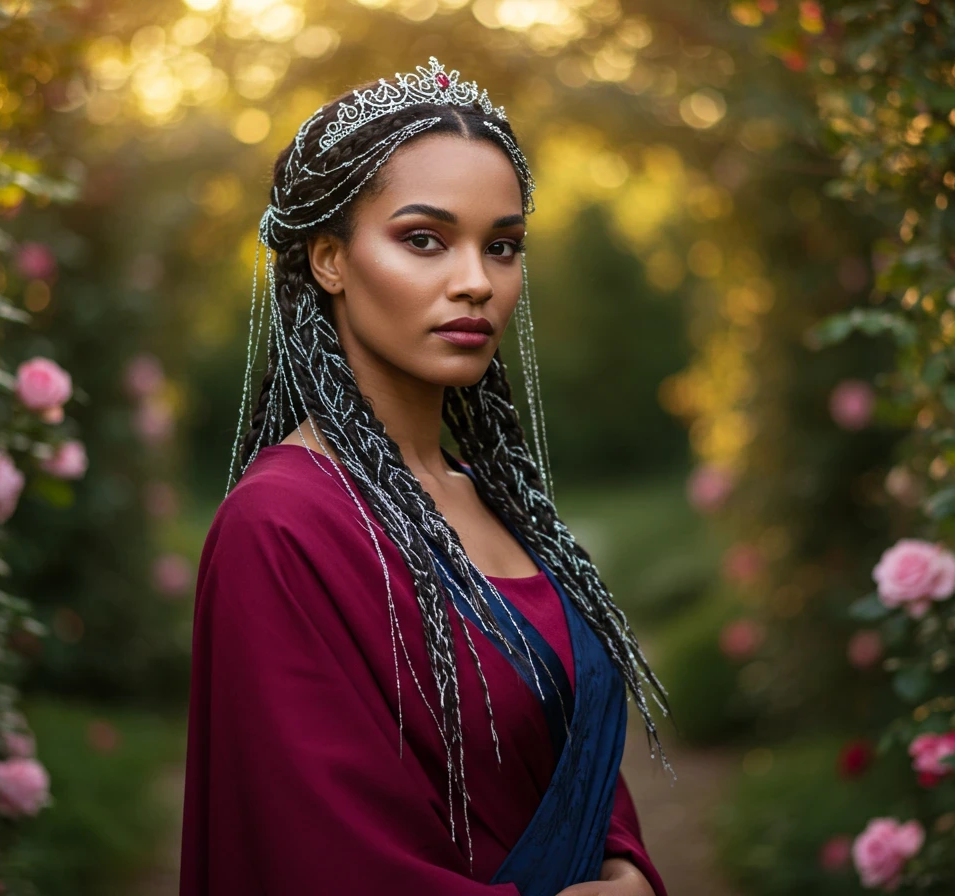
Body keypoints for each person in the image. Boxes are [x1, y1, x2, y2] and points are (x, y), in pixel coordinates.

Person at [178, 57, 674, 896]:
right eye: (424, 239)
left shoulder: (500, 501)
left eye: (503, 246)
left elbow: (571, 764)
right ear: (329, 259)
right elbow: (320, 856)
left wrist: (626, 865)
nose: (477, 280)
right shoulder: (280, 526)